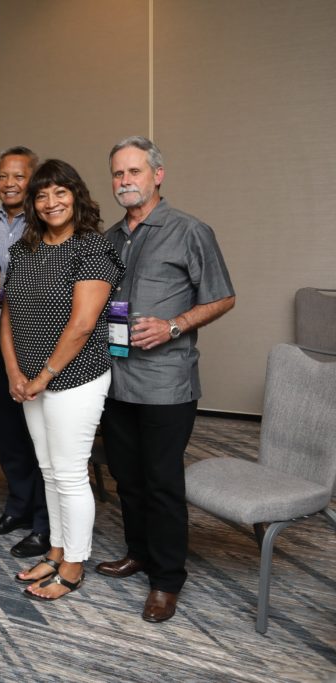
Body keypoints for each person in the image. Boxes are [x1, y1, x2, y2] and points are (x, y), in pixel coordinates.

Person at [97, 136, 235, 622]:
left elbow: (222, 297)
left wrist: (174, 325)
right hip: (115, 380)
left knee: (161, 482)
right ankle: (139, 552)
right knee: (127, 479)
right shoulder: (110, 239)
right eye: (118, 174)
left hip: (166, 383)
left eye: (134, 172)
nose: (125, 181)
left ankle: (167, 579)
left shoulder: (190, 230)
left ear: (158, 175)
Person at [0, 160, 124, 600]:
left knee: (70, 474)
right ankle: (55, 550)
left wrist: (43, 376)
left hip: (77, 378)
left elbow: (82, 325)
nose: (51, 202)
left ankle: (73, 564)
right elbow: (8, 316)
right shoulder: (24, 249)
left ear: (76, 196)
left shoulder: (92, 249)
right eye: (42, 195)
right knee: (49, 471)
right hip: (29, 379)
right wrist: (16, 372)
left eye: (60, 192)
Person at [0, 146, 52, 559]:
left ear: (33, 180)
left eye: (18, 176)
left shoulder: (44, 220)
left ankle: (44, 521)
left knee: (38, 430)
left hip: (32, 336)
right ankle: (19, 507)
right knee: (6, 430)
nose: (9, 183)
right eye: (3, 176)